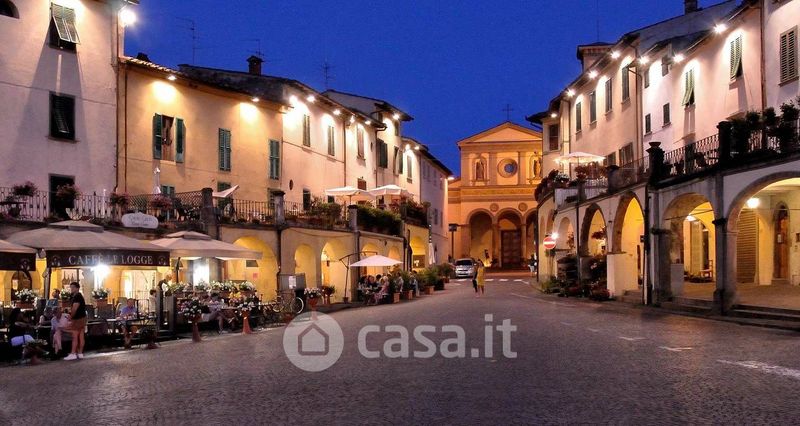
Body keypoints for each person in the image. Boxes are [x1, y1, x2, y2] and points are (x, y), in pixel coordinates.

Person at [65, 281, 87, 360]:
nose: (71, 289)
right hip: (82, 318)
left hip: (78, 318)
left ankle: (73, 353)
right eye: (71, 287)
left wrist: (71, 317)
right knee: (81, 335)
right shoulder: (78, 296)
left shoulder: (77, 297)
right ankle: (80, 353)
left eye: (73, 287)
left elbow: (74, 308)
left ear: (77, 288)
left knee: (75, 336)